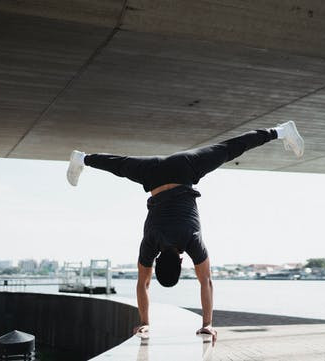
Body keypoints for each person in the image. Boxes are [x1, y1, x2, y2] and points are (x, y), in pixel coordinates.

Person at [66, 121, 304, 342]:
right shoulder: (150, 242)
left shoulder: (192, 240)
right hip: (154, 171)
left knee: (230, 149)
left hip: (185, 169)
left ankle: (281, 131)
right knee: (119, 164)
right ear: (159, 261)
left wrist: (207, 324)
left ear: (182, 262)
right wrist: (143, 323)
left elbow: (206, 282)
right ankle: (83, 158)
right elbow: (143, 284)